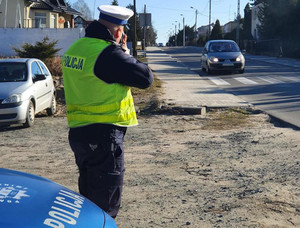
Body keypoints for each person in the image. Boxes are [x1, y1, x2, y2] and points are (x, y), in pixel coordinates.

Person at [62, 5, 153, 218]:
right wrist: (123, 53)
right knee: (105, 209)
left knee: (89, 201)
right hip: (104, 138)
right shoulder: (108, 54)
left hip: (79, 134)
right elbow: (146, 78)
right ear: (119, 32)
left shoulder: (76, 48)